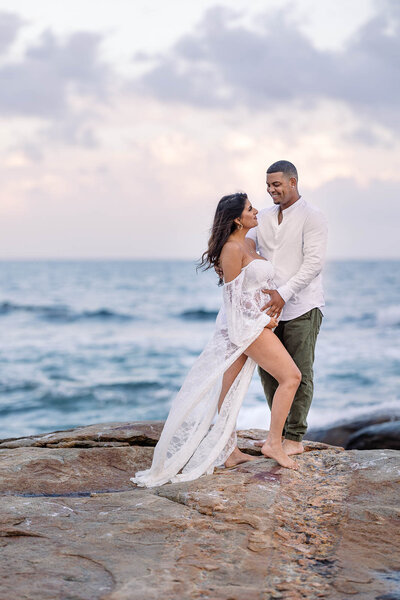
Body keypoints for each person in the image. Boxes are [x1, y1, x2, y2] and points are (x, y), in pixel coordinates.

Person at [131, 193, 301, 488]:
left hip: (252, 323)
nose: (256, 211)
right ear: (237, 218)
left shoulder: (249, 242)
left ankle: (230, 451)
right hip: (244, 327)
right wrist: (263, 321)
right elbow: (233, 301)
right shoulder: (232, 249)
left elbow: (254, 285)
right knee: (291, 376)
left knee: (229, 386)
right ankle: (274, 443)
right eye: (250, 209)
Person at [247, 160, 328, 456]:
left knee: (300, 372)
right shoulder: (264, 217)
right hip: (268, 309)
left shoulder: (313, 217)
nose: (271, 190)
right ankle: (275, 436)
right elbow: (245, 246)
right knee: (270, 373)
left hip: (303, 307)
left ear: (293, 182)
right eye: (268, 185)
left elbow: (314, 264)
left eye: (276, 184)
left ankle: (294, 438)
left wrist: (284, 293)